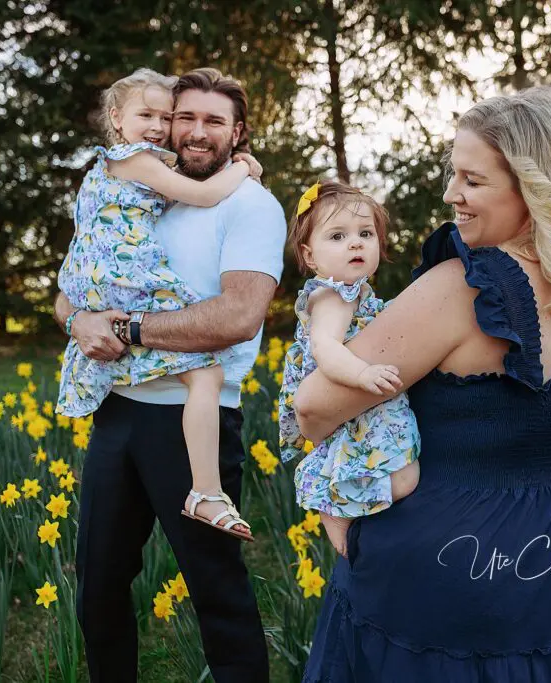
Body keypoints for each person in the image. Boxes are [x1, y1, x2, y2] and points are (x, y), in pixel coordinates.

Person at [294, 87, 551, 682]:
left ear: (533, 188)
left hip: (447, 564)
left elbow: (314, 407)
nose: (451, 194)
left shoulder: (463, 288)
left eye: (472, 180)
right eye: (453, 174)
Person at [53, 67, 285, 683]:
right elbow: (75, 283)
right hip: (118, 409)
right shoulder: (144, 191)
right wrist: (80, 321)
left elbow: (238, 316)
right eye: (186, 117)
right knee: (99, 579)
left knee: (214, 585)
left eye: (214, 121)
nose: (195, 131)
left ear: (239, 133)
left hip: (193, 419)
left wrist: (128, 328)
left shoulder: (250, 204)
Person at [56, 67, 264, 541]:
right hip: (125, 279)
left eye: (164, 117)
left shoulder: (122, 167)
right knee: (206, 374)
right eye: (145, 115)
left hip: (97, 280)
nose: (157, 126)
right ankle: (206, 492)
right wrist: (243, 168)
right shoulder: (136, 160)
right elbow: (204, 194)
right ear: (116, 118)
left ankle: (205, 491)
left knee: (200, 377)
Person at [277, 180, 420, 557]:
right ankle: (336, 505)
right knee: (405, 477)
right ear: (310, 256)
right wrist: (362, 375)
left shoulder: (354, 293)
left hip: (363, 403)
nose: (355, 243)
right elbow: (324, 347)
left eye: (365, 234)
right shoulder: (333, 295)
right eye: (337, 236)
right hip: (351, 391)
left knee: (401, 473)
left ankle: (350, 509)